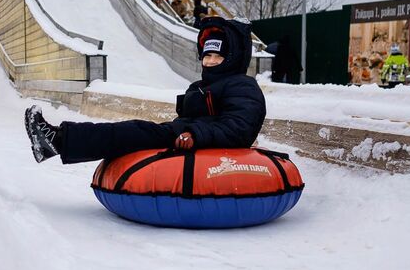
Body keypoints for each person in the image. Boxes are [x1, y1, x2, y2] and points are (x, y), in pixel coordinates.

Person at [25, 17, 266, 164]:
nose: (211, 61)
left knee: (133, 131)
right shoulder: (200, 87)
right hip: (182, 136)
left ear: (232, 58)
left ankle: (57, 140)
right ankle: (57, 140)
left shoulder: (242, 86)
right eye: (207, 55)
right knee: (131, 130)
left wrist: (195, 135)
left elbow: (239, 128)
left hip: (198, 143)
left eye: (218, 56)